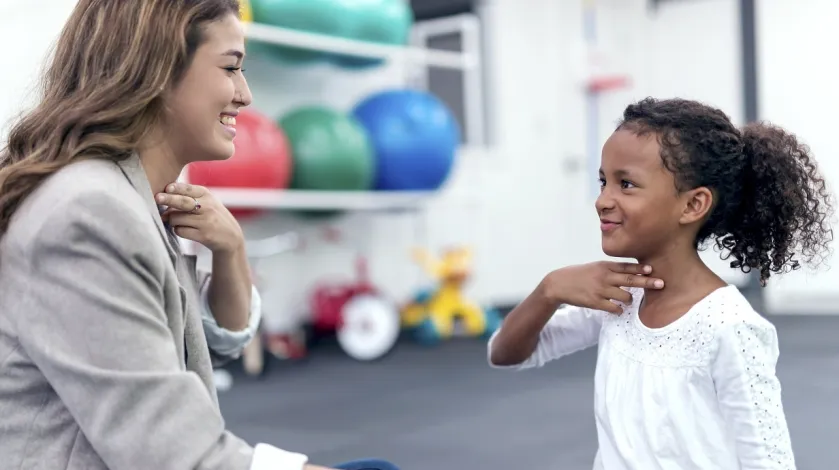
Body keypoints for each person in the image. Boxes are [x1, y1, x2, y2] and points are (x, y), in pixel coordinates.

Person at [0, 1, 399, 470]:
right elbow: (173, 456)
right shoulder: (88, 212)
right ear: (157, 71)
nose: (245, 95)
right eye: (231, 68)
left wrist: (231, 249)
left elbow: (205, 345)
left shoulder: (139, 197)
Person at [488, 97, 834, 469]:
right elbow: (505, 353)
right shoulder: (619, 296)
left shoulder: (730, 327)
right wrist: (549, 289)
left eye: (627, 184)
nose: (602, 200)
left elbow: (768, 462)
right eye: (603, 181)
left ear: (692, 205)